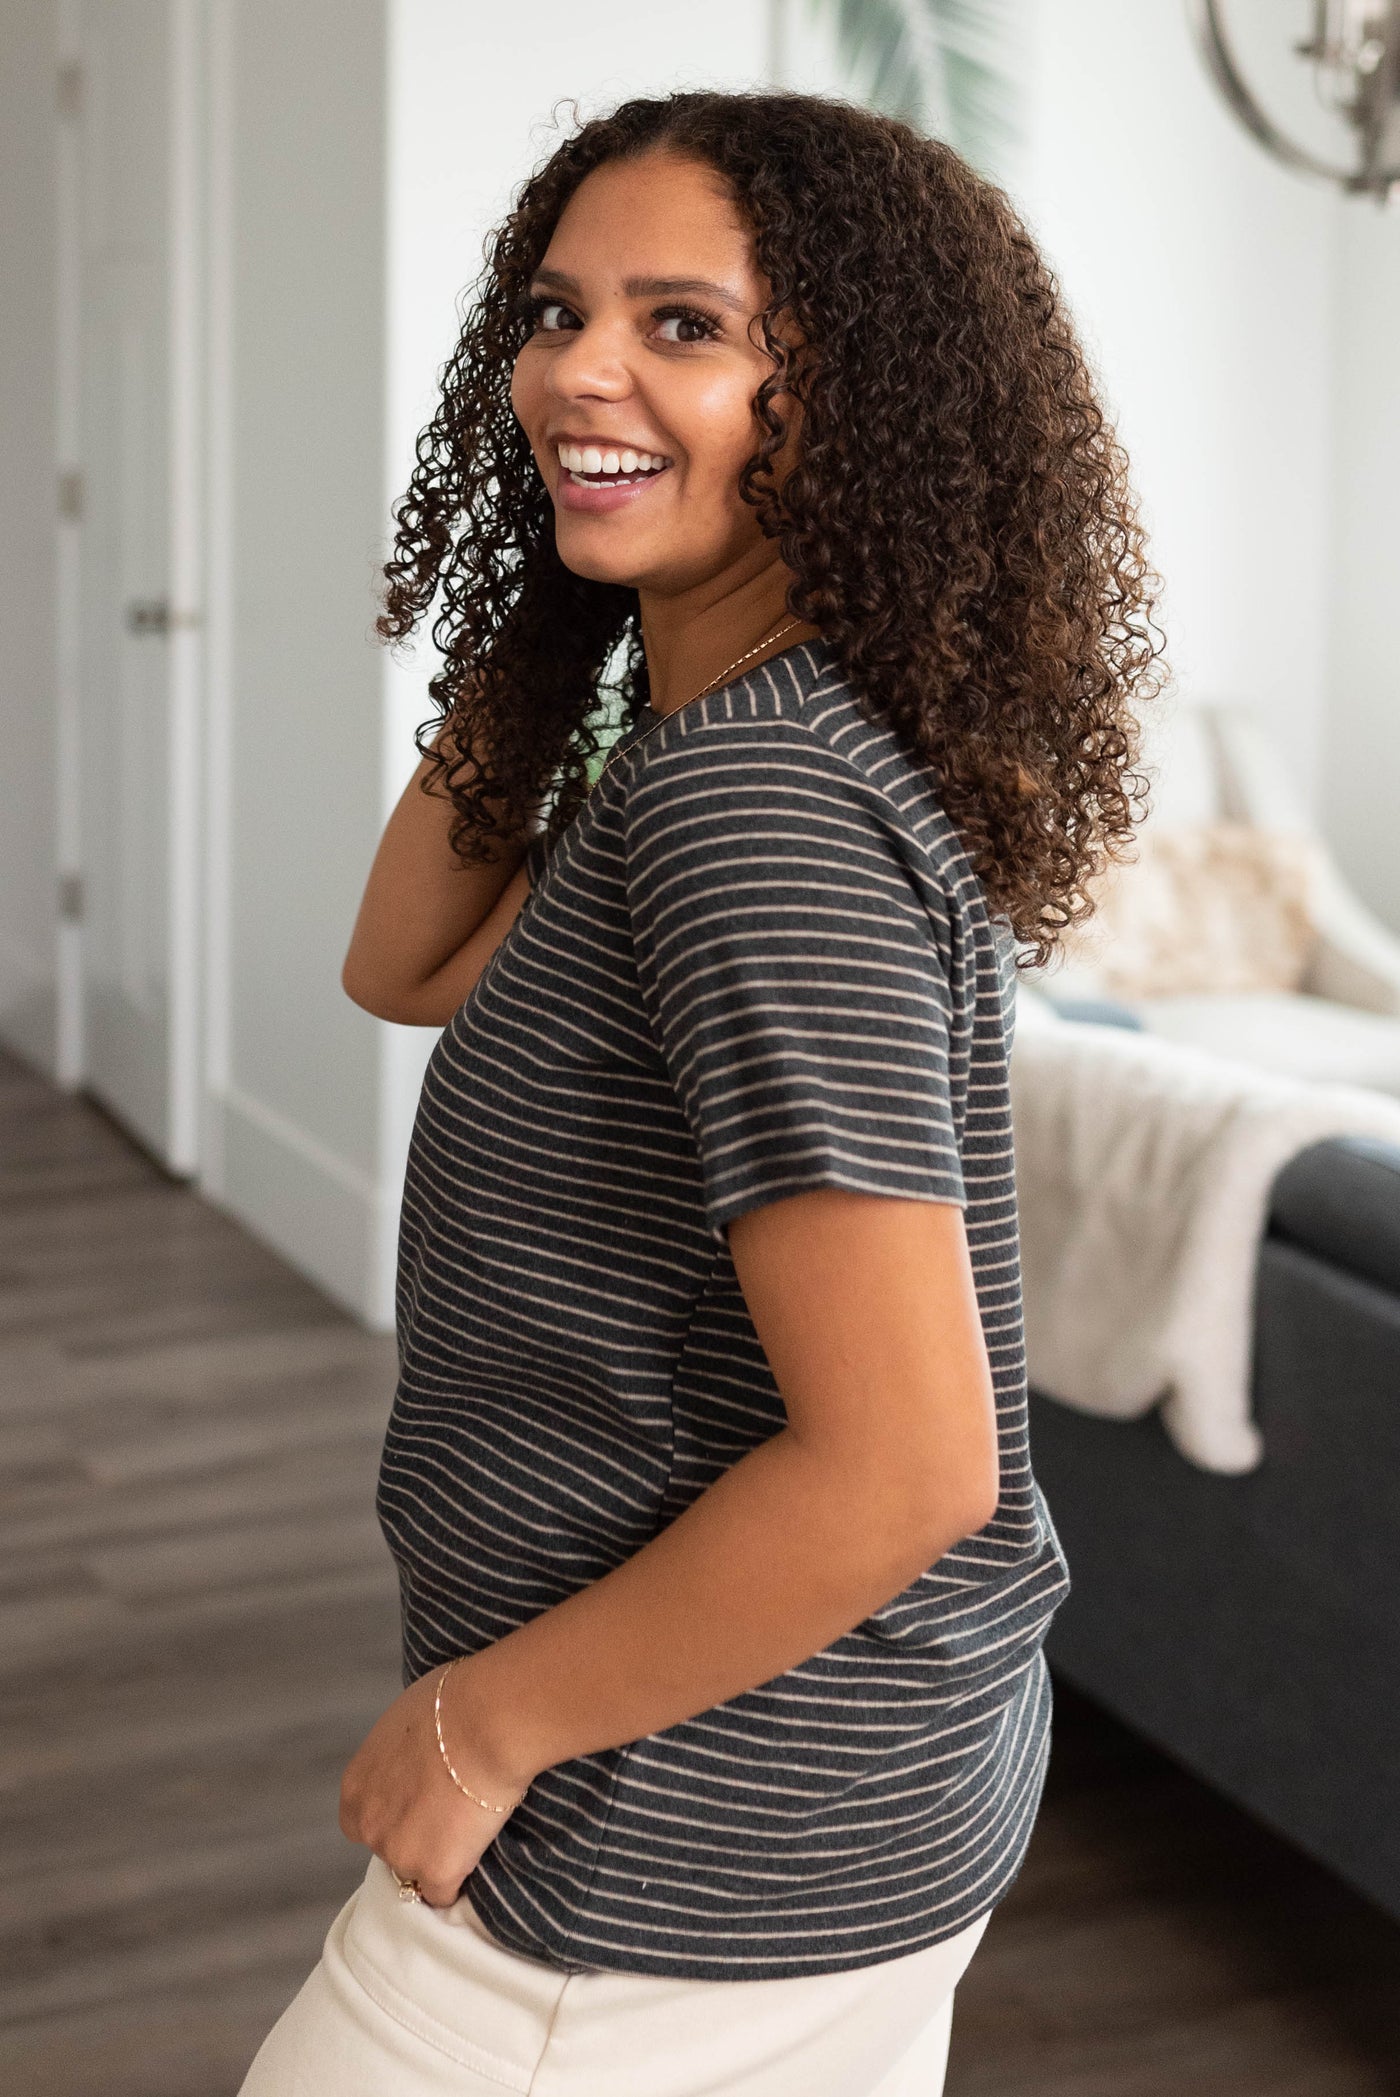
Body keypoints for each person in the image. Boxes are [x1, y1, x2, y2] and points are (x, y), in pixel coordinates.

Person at [239, 88, 1162, 2097]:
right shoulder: (718, 745)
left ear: (845, 398)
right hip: (832, 1796)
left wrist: (485, 1722)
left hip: (667, 1849)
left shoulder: (753, 808)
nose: (578, 364)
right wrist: (570, 579)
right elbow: (398, 958)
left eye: (684, 326)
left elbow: (906, 1462)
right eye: (558, 313)